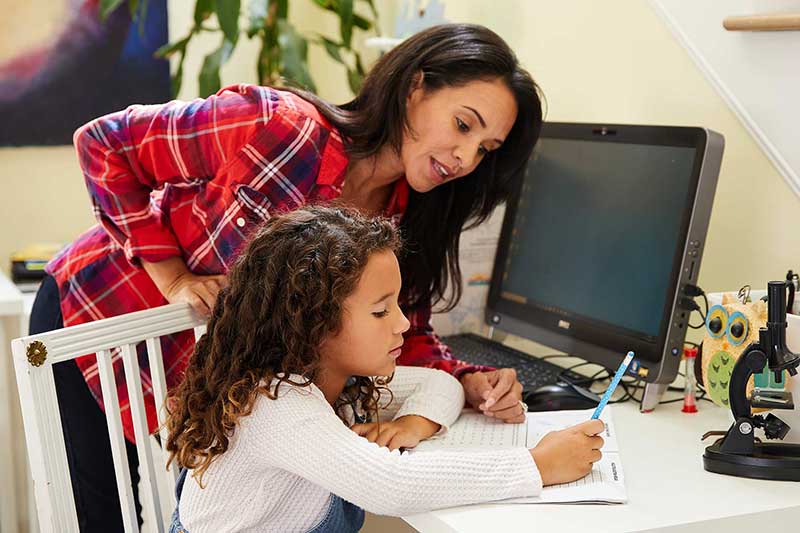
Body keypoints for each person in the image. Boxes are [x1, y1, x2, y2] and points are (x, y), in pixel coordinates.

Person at [30, 23, 544, 530]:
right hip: (99, 306)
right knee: (97, 511)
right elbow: (104, 143)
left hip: (205, 365)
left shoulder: (407, 219)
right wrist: (172, 277)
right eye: (463, 125)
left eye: (486, 148)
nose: (465, 157)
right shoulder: (276, 125)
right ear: (415, 88)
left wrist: (468, 379)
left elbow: (395, 326)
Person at [166, 205, 605, 532]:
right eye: (380, 312)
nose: (402, 324)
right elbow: (389, 486)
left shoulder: (338, 382)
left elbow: (438, 383)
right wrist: (536, 465)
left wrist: (416, 423)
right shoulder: (277, 404)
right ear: (313, 322)